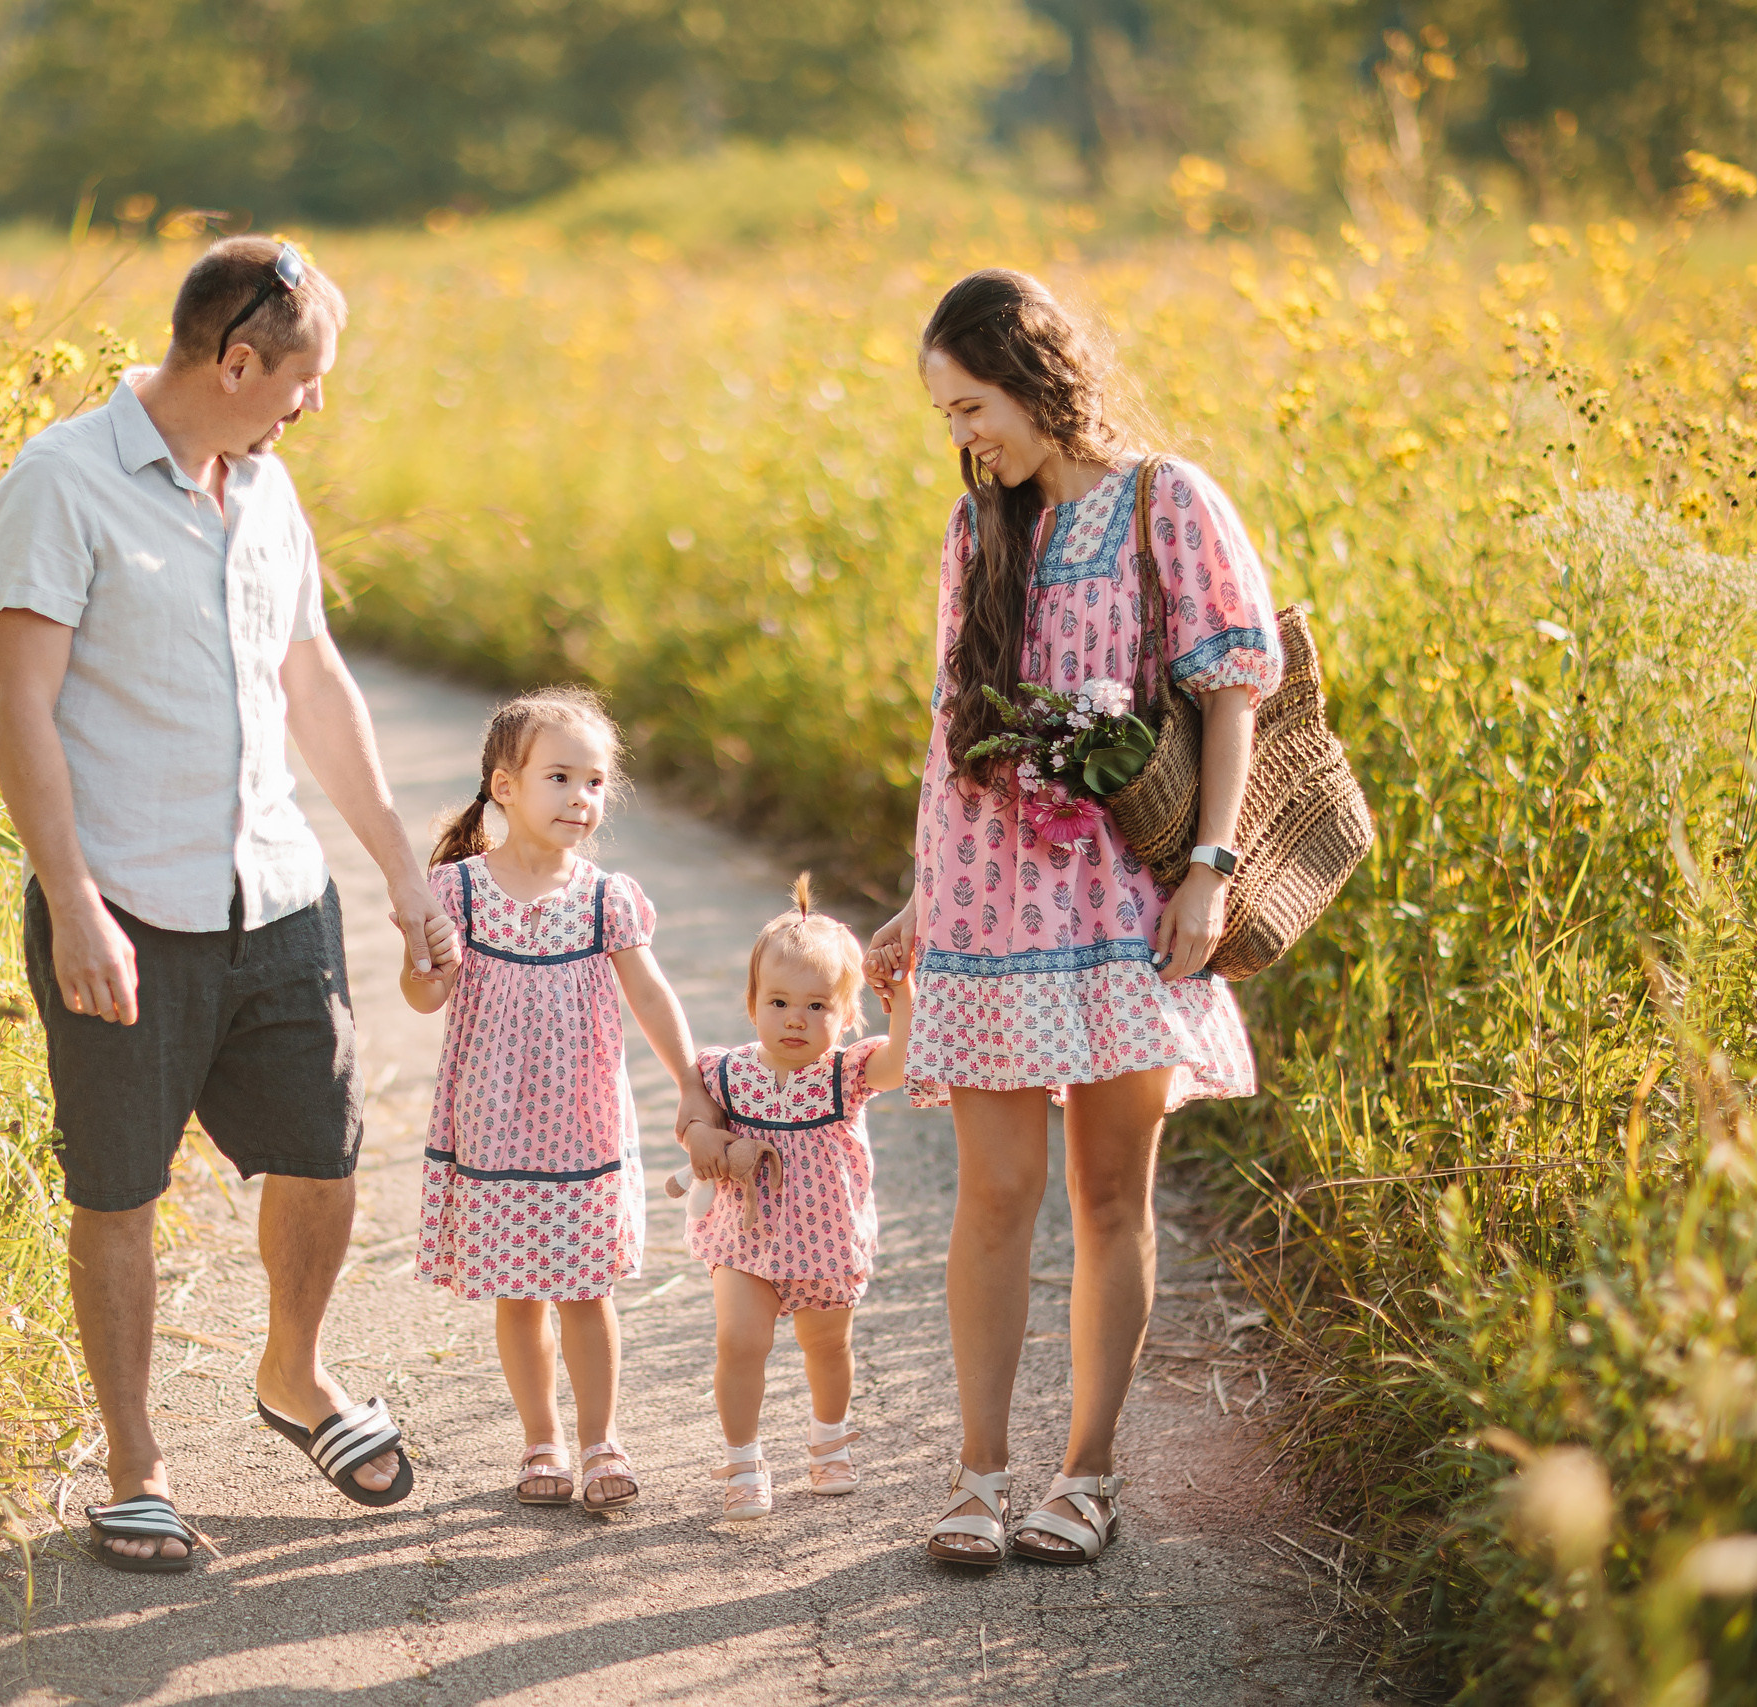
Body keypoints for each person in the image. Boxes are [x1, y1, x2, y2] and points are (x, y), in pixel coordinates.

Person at [0, 237, 460, 1572]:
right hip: (126, 902)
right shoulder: (59, 482)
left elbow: (314, 679)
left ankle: (293, 1373)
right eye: (305, 377)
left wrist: (398, 866)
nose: (316, 401)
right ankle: (136, 1461)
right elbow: (20, 709)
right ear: (238, 362)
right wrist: (73, 901)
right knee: (119, 1188)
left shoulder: (266, 487)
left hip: (277, 892)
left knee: (323, 1153)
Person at [865, 269, 1282, 1568]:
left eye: (971, 406)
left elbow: (1233, 692)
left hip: (1126, 900)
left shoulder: (1170, 501)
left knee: (1109, 1191)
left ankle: (1086, 1473)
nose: (962, 435)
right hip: (988, 901)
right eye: (945, 414)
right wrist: (921, 897)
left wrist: (1211, 867)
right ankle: (978, 1473)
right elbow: (955, 731)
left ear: (1035, 379)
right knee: (994, 1192)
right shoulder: (974, 528)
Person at [401, 688, 722, 1515]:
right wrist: (423, 959)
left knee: (586, 1289)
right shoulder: (459, 891)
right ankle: (540, 1438)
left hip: (583, 1128)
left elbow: (651, 996)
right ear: (505, 786)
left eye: (595, 781)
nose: (581, 796)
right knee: (518, 1292)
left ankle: (601, 1438)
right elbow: (425, 997)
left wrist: (690, 1082)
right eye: (560, 777)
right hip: (496, 1129)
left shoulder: (606, 897)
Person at [669, 877, 913, 1519]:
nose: (795, 1019)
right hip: (744, 1241)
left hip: (825, 1242)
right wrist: (701, 1138)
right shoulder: (724, 1072)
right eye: (778, 1002)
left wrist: (903, 998)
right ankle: (743, 1459)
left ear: (847, 1015)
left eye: (817, 1006)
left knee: (826, 1347)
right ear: (753, 1003)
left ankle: (829, 1439)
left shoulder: (847, 1073)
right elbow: (692, 1121)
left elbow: (902, 1061)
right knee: (739, 1343)